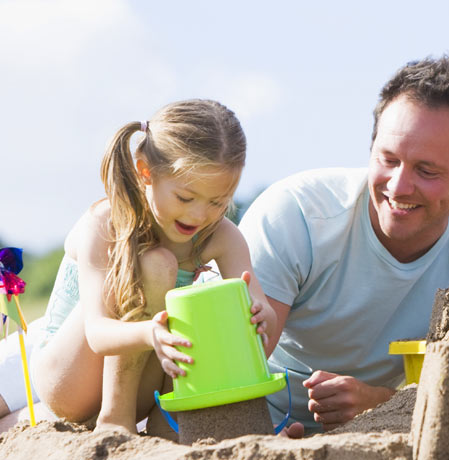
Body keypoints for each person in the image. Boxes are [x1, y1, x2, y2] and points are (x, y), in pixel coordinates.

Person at [239, 55, 449, 437]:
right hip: (258, 419)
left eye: (426, 171)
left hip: (390, 428)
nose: (399, 187)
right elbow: (235, 365)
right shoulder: (294, 214)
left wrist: (382, 403)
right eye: (387, 159)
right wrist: (260, 436)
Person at [3, 99, 276, 434]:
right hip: (68, 378)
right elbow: (98, 333)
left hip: (146, 384)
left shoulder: (222, 237)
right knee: (157, 264)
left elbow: (261, 312)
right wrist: (150, 333)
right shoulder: (106, 222)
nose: (199, 216)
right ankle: (114, 418)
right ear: (146, 172)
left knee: (209, 305)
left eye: (218, 202)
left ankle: (171, 425)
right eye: (186, 198)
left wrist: (259, 316)